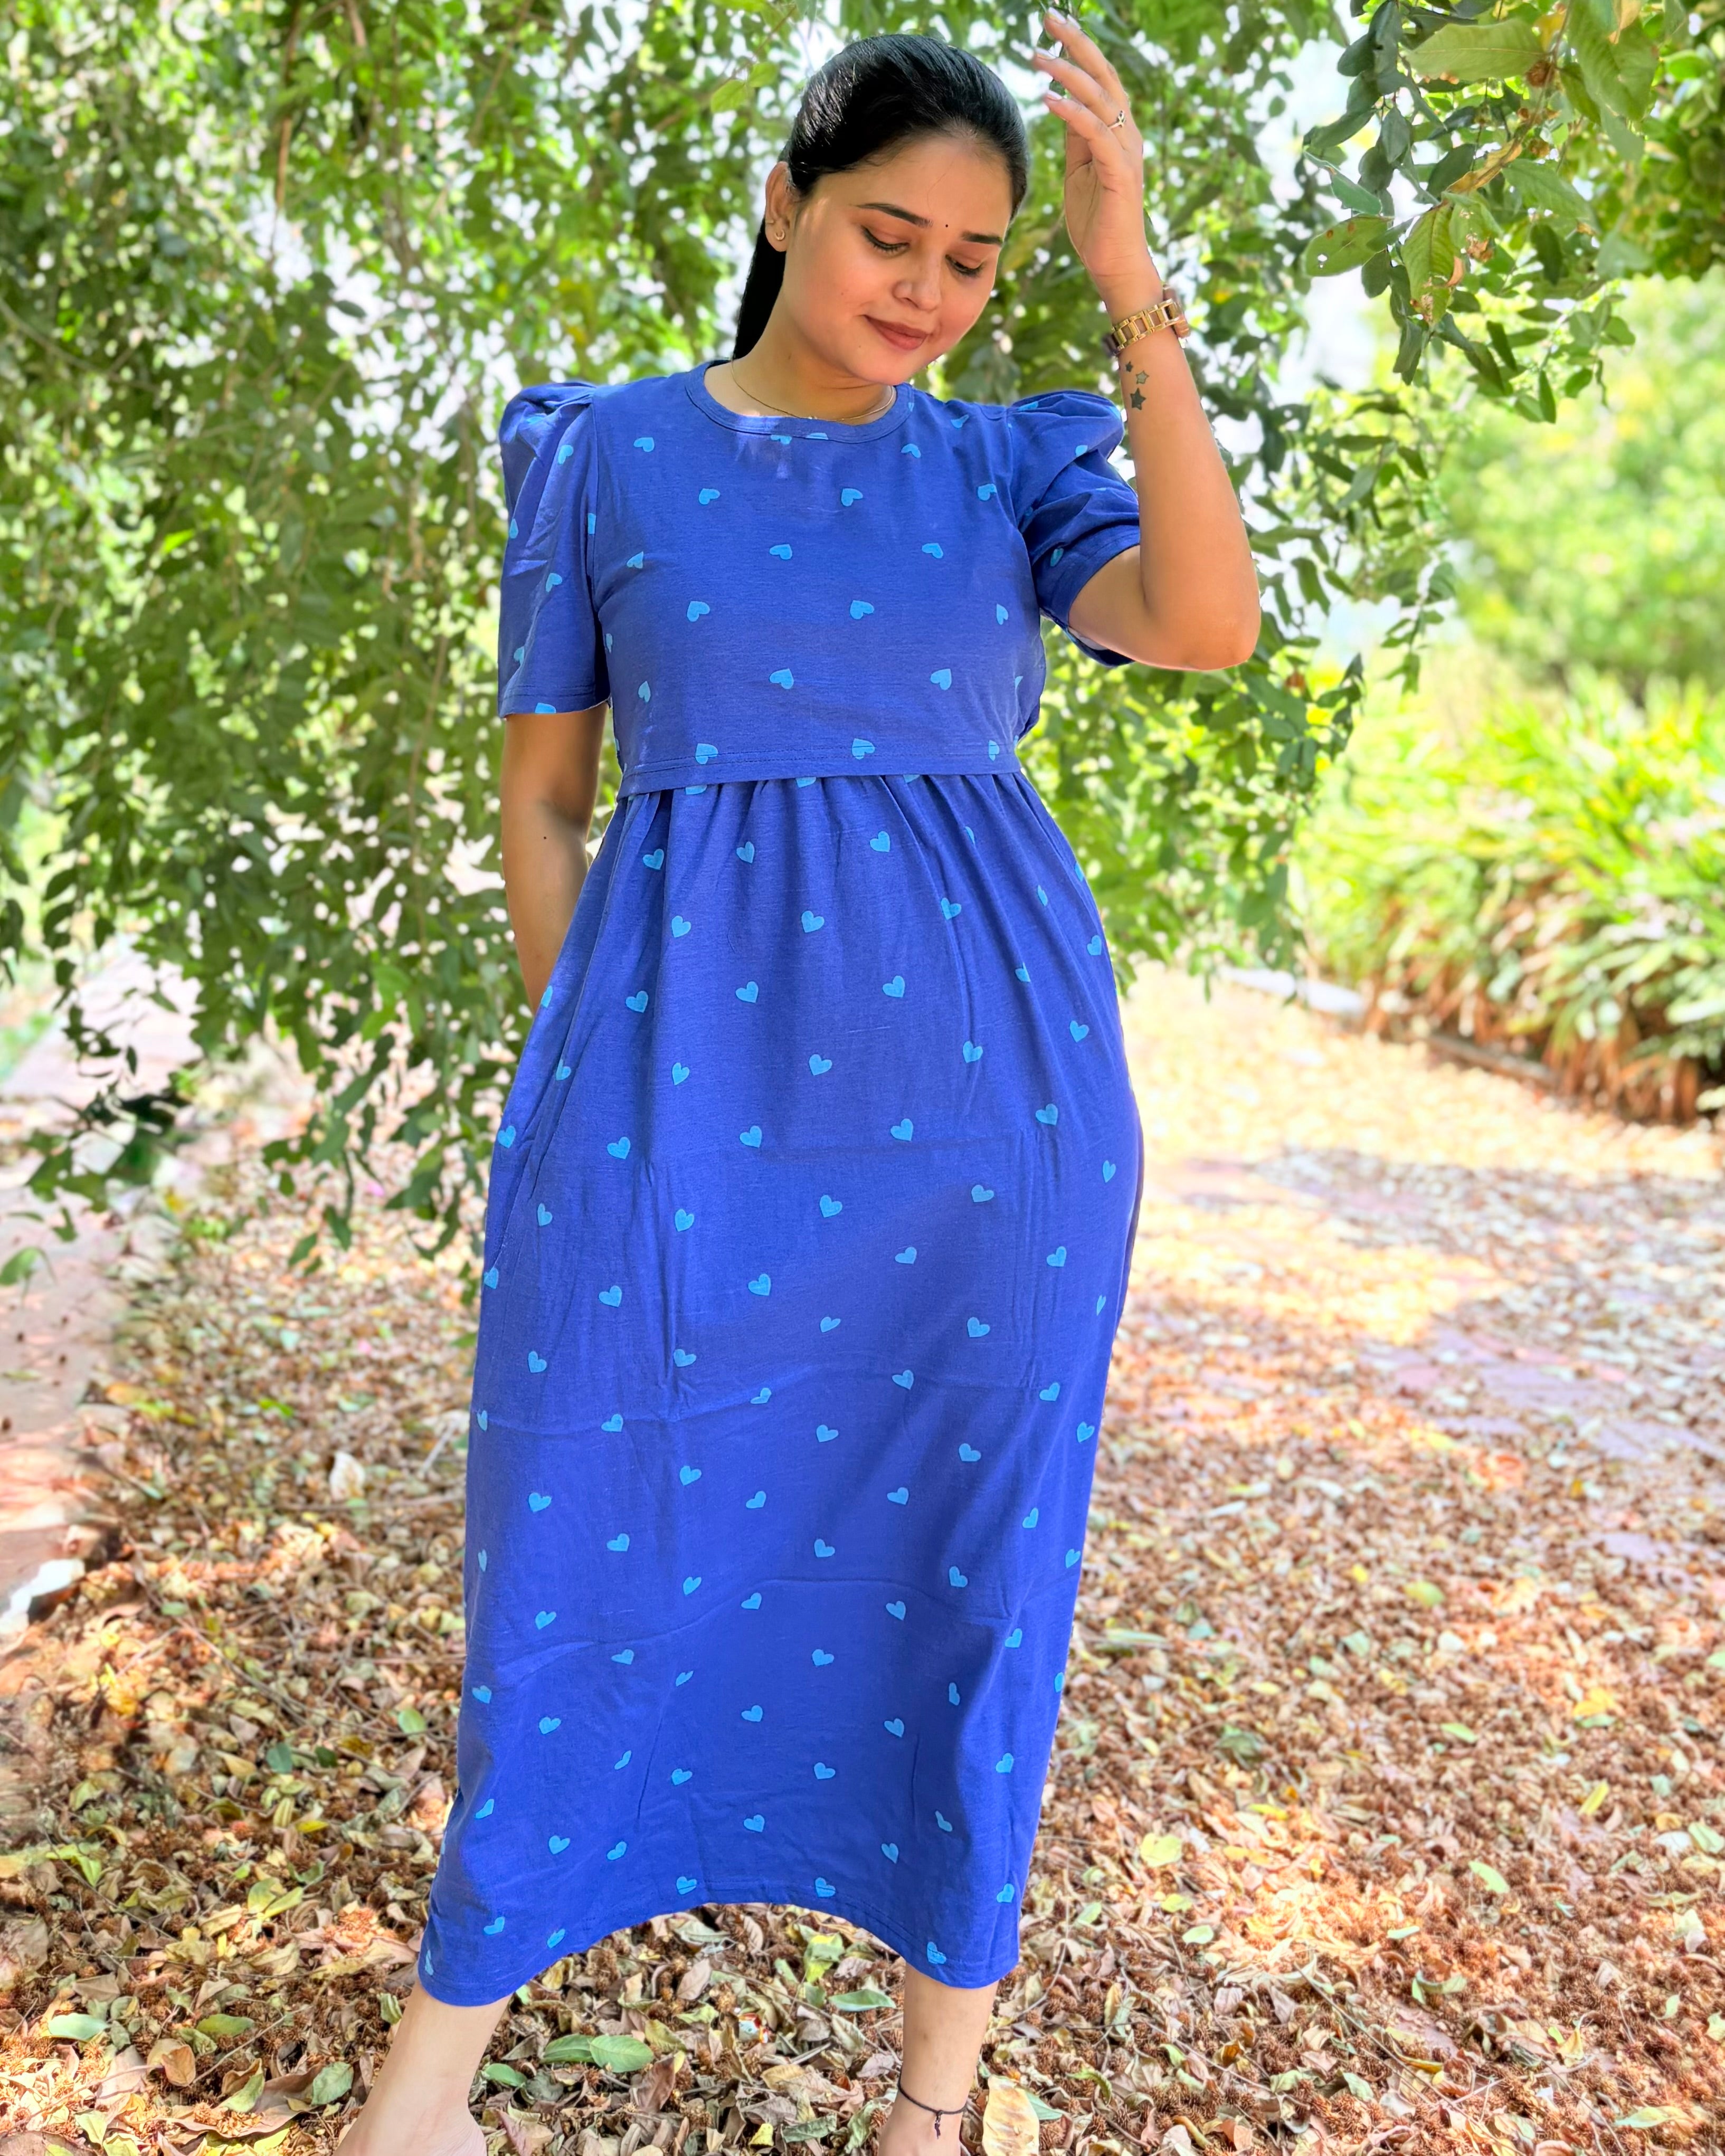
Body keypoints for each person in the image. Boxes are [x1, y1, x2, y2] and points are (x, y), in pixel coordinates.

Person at [343, 16, 1258, 2156]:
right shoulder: (605, 454)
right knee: (577, 1543)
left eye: (972, 257)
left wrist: (1130, 281)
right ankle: (423, 2096)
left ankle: (931, 2104)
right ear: (782, 203)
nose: (923, 287)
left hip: (992, 1126)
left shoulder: (1007, 466)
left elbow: (1205, 621)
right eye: (884, 233)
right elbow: (545, 799)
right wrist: (594, 1072)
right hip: (668, 1113)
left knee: (973, 1574)